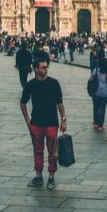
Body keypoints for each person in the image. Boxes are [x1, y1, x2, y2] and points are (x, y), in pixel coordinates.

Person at [21, 59, 67, 189]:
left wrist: (63, 119)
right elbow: (23, 102)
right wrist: (27, 120)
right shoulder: (30, 85)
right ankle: (38, 175)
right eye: (42, 67)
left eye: (46, 67)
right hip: (36, 123)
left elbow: (60, 103)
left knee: (52, 151)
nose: (45, 69)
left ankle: (51, 177)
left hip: (52, 122)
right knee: (37, 149)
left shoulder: (53, 83)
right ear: (35, 69)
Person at [91, 58, 107, 131]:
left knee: (96, 107)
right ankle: (100, 125)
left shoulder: (96, 70)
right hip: (105, 92)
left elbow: (91, 79)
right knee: (102, 109)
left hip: (96, 92)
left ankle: (95, 122)